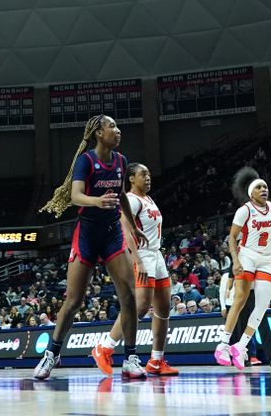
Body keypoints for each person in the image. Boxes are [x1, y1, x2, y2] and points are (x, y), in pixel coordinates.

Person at [34, 115, 148, 380]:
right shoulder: (85, 160)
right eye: (113, 127)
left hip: (112, 235)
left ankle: (130, 358)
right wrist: (96, 201)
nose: (118, 131)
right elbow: (75, 196)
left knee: (129, 296)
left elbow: (121, 197)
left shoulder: (120, 161)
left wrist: (132, 226)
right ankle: (52, 354)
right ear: (98, 132)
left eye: (118, 126)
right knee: (73, 301)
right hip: (86, 234)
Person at [214, 167, 271, 369]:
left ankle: (240, 346)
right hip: (247, 255)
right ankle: (222, 345)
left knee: (263, 304)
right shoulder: (245, 210)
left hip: (266, 259)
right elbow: (231, 237)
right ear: (251, 193)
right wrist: (236, 261)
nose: (264, 189)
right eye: (259, 187)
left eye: (265, 186)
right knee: (239, 299)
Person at [92, 163, 179, 376]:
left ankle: (156, 361)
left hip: (155, 254)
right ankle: (104, 347)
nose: (148, 177)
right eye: (143, 174)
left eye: (149, 174)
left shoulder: (148, 199)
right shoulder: (131, 199)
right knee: (140, 307)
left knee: (163, 309)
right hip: (142, 255)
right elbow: (124, 228)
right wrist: (138, 260)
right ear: (131, 178)